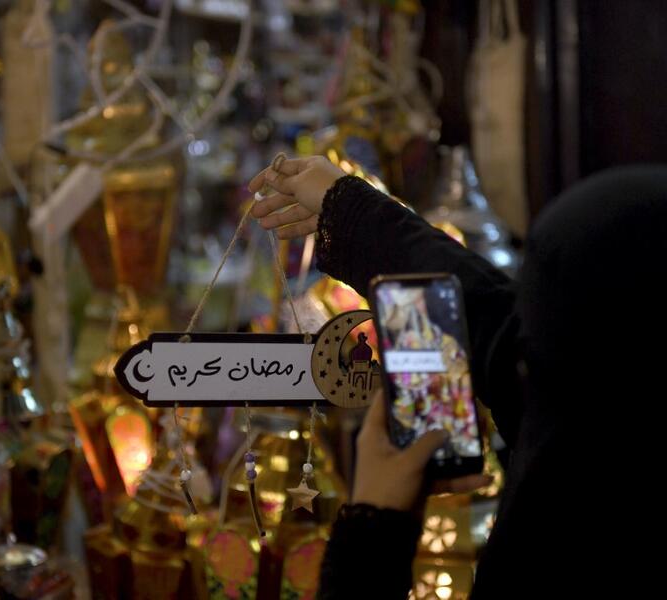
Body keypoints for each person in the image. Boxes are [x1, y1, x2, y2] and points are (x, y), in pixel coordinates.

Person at [249, 157, 667, 598]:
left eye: (533, 365)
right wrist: (353, 215)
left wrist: (376, 529)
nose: (520, 366)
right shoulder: (608, 408)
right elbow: (495, 328)